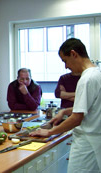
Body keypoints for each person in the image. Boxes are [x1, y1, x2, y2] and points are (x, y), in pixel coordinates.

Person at [30, 38, 101, 173]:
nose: (66, 66)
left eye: (65, 61)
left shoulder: (86, 79)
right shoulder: (97, 73)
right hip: (95, 141)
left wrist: (50, 132)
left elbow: (77, 118)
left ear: (74, 54)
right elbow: (90, 108)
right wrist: (65, 111)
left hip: (87, 144)